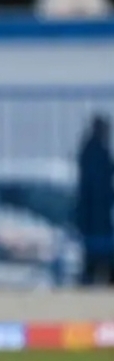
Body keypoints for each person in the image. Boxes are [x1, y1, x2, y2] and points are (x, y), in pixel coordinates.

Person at [76, 115, 114, 285]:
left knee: (95, 259)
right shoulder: (95, 153)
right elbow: (98, 187)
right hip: (96, 217)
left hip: (95, 217)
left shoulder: (91, 151)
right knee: (97, 258)